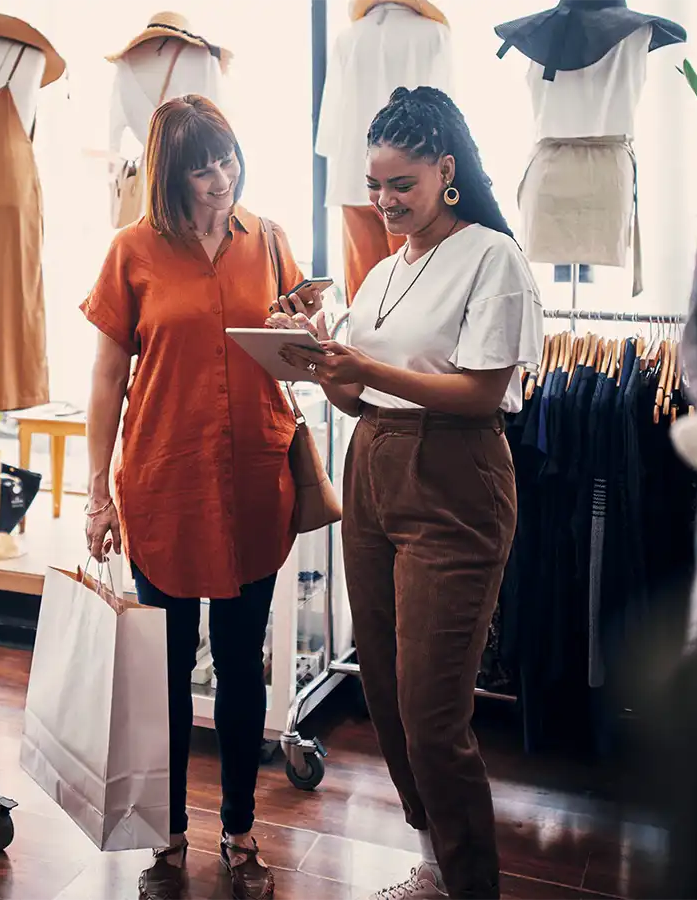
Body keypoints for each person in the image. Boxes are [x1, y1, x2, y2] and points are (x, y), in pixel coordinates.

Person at [275, 86, 543, 900]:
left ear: (445, 171)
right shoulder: (387, 270)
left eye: (403, 185)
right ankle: (434, 861)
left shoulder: (491, 256)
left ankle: (471, 886)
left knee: (432, 713)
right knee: (385, 693)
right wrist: (318, 357)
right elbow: (358, 397)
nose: (387, 202)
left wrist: (367, 371)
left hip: (455, 478)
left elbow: (482, 391)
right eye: (377, 187)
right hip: (373, 469)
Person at [82, 94, 319, 900]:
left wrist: (307, 332)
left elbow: (298, 359)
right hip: (164, 483)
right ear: (169, 175)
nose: (219, 180)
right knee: (168, 669)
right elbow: (108, 380)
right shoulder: (132, 251)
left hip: (255, 478)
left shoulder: (273, 240)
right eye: (199, 168)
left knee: (245, 665)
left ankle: (243, 830)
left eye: (226, 159)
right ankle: (169, 837)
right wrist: (96, 497)